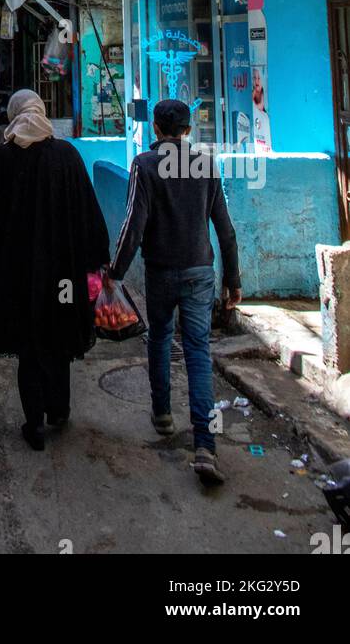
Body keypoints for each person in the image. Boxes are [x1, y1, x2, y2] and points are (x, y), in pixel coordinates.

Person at [106, 97, 241, 487]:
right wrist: (233, 280)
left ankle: (162, 414)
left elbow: (133, 224)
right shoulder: (205, 164)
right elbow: (225, 228)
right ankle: (204, 446)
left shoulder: (145, 165)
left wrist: (115, 271)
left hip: (162, 270)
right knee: (199, 351)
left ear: (156, 129)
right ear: (187, 129)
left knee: (161, 338)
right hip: (201, 270)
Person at [0, 89, 110, 451]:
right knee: (58, 337)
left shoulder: (3, 158)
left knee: (28, 346)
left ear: (13, 114)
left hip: (19, 275)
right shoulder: (66, 155)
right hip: (62, 274)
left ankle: (33, 422)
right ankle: (59, 409)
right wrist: (97, 258)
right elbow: (88, 212)